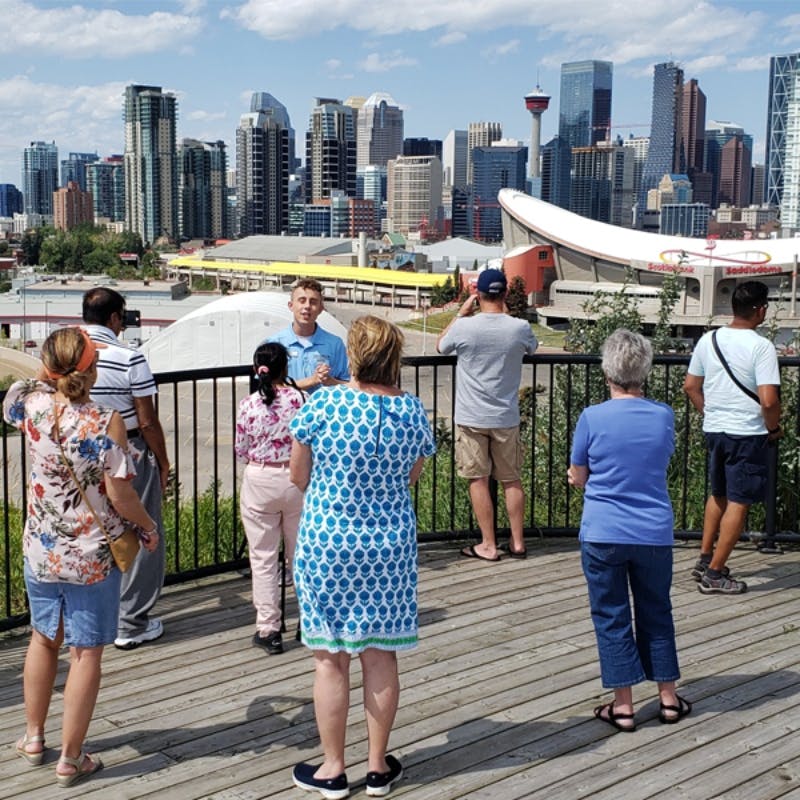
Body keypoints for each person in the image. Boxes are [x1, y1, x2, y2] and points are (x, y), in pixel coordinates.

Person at [3, 328, 159, 787]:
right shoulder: (105, 420)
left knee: (42, 638)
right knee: (86, 652)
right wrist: (146, 528)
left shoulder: (29, 405)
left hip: (41, 547)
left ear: (50, 367)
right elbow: (120, 493)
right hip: (90, 554)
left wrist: (48, 374)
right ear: (92, 369)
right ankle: (71, 759)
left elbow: (25, 390)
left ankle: (33, 737)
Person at [289, 316, 436, 799]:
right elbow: (411, 478)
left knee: (330, 660)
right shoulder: (412, 412)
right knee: (380, 654)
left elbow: (298, 475)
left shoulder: (324, 403)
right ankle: (377, 767)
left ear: (353, 355)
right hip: (388, 546)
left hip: (328, 541)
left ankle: (333, 768)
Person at [568, 329, 690, 733]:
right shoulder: (663, 414)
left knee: (611, 615)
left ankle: (623, 706)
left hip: (604, 530)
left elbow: (580, 474)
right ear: (644, 371)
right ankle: (669, 698)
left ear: (608, 371)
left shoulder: (591, 417)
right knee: (657, 610)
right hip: (653, 530)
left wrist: (579, 478)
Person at [82, 287, 170, 649]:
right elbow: (147, 420)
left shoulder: (65, 352)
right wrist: (163, 462)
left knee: (91, 532)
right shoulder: (129, 357)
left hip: (78, 450)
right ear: (116, 318)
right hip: (128, 449)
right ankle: (131, 622)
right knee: (143, 530)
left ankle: (89, 617)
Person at [683, 281, 781, 595]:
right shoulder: (762, 346)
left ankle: (705, 557)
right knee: (739, 502)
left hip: (716, 429)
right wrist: (773, 428)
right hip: (747, 434)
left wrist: (709, 414)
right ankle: (714, 575)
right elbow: (768, 400)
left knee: (718, 494)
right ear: (761, 309)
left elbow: (690, 386)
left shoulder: (708, 340)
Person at [436, 267, 538, 562]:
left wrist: (461, 313)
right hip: (506, 416)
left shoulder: (465, 328)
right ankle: (517, 542)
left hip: (471, 417)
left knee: (478, 479)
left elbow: (441, 346)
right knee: (511, 480)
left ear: (477, 296)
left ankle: (488, 544)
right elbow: (531, 348)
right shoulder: (519, 327)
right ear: (505, 294)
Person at [235, 342, 305, 656]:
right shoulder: (299, 398)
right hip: (295, 479)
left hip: (259, 479)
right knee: (300, 555)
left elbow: (241, 449)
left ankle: (269, 629)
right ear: (285, 369)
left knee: (263, 559)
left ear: (256, 369)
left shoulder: (248, 404)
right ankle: (309, 621)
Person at [268, 278, 349, 393]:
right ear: (291, 305)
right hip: (290, 410)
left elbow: (348, 385)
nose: (307, 306)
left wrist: (331, 382)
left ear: (321, 309)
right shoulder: (275, 344)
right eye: (302, 300)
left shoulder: (335, 344)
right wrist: (312, 380)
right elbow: (270, 387)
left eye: (313, 302)